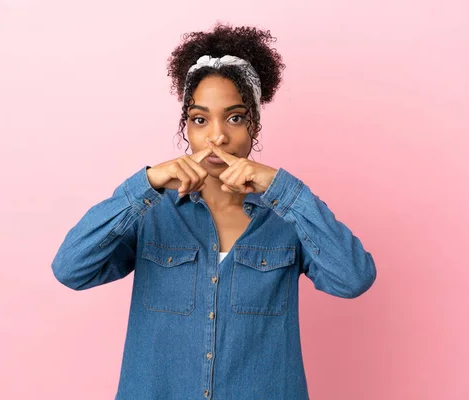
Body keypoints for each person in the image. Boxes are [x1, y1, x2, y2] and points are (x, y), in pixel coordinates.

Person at [51, 23, 377, 400]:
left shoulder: (287, 218)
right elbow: (71, 269)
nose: (217, 136)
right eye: (200, 120)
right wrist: (147, 183)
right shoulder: (150, 214)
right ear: (186, 128)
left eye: (235, 117)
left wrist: (284, 190)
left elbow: (353, 279)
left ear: (254, 123)